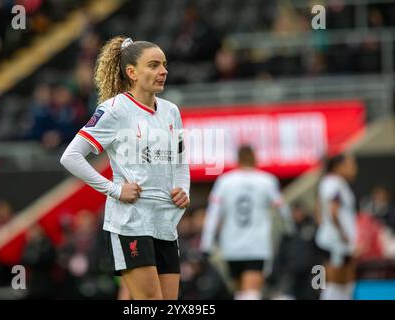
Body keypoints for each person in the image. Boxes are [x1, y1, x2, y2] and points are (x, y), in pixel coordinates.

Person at [60, 36, 190, 300]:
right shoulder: (114, 110)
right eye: (153, 65)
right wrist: (115, 190)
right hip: (131, 222)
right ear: (131, 72)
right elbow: (71, 156)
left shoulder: (171, 111)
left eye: (164, 64)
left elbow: (180, 161)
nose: (163, 71)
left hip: (165, 222)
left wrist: (183, 189)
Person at [200, 145, 289, 300]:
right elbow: (283, 210)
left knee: (241, 292)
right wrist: (290, 230)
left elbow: (213, 214)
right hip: (257, 246)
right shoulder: (267, 181)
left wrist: (206, 244)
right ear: (255, 158)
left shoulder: (225, 181)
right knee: (251, 293)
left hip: (231, 247)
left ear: (238, 159)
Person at [315, 153, 358, 300]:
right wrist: (343, 234)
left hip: (337, 241)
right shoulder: (334, 183)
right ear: (338, 167)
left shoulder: (333, 183)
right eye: (351, 165)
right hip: (336, 243)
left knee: (345, 284)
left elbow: (319, 211)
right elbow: (333, 211)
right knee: (335, 284)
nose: (354, 169)